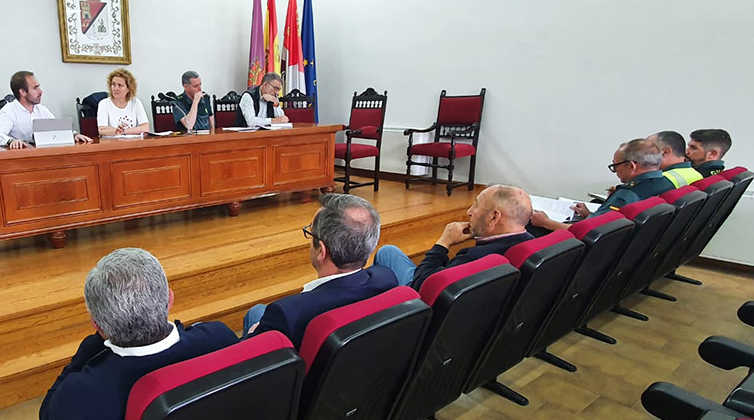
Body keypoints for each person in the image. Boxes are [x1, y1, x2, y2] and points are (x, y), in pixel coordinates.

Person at [39, 248, 237, 420]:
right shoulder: (220, 339)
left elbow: (50, 419)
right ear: (169, 299)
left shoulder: (79, 400)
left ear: (97, 324)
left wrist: (92, 345)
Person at [244, 193, 397, 347]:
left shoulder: (287, 314)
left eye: (310, 233)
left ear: (321, 251)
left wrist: (253, 334)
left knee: (256, 313)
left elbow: (251, 362)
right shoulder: (386, 278)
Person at [375, 185, 535, 291]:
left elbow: (421, 286)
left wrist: (443, 243)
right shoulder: (531, 244)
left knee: (387, 252)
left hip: (422, 297)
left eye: (476, 205)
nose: (470, 211)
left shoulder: (473, 258)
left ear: (493, 217)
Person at [531, 139, 673, 232]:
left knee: (529, 226)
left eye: (615, 166)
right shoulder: (666, 184)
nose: (615, 171)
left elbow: (586, 233)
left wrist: (546, 222)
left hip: (589, 247)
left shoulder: (627, 194)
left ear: (631, 166)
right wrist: (591, 215)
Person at [0, 70, 90, 148]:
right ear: (22, 92)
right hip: (19, 159)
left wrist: (74, 135)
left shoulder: (42, 110)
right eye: (35, 88)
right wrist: (10, 141)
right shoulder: (8, 111)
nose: (40, 92)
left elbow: (57, 129)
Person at [96, 68, 148, 135]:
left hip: (133, 142)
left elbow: (145, 127)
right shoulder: (104, 104)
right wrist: (116, 131)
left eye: (120, 85)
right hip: (112, 143)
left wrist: (124, 131)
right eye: (113, 84)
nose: (115, 88)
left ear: (129, 88)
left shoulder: (135, 102)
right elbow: (102, 130)